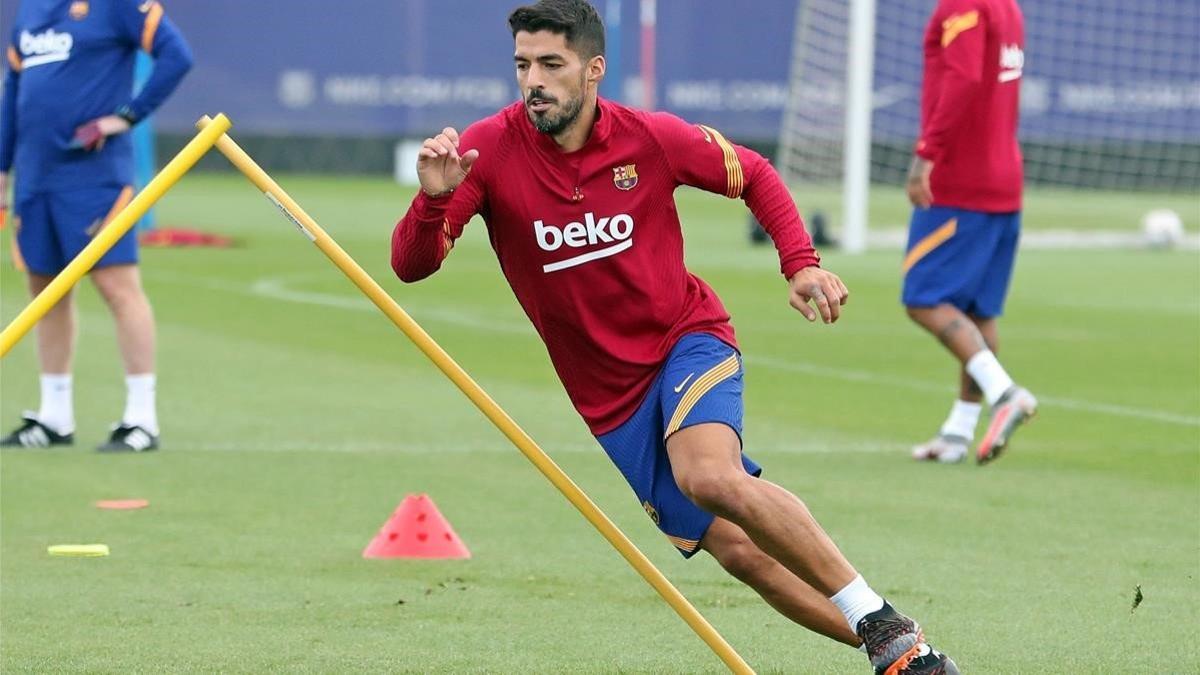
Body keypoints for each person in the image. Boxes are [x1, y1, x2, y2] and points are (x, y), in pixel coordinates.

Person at [391, 2, 957, 672]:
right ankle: (910, 657)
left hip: (686, 341)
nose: (533, 80)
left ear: (593, 69)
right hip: (609, 401)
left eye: (551, 64)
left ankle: (879, 617)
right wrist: (432, 200)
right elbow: (412, 266)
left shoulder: (648, 138)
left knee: (709, 474)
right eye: (522, 65)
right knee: (741, 553)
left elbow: (754, 173)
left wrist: (800, 263)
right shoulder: (489, 151)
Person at [0, 0, 193, 451]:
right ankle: (54, 416)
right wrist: (3, 169)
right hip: (35, 177)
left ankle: (141, 418)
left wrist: (125, 116)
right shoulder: (30, 11)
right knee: (45, 293)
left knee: (118, 288)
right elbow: (13, 90)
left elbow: (176, 55)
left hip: (94, 179)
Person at [904, 0, 1036, 465]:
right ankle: (958, 432)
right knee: (978, 313)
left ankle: (1005, 392)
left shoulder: (962, 5)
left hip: (961, 184)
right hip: (1005, 179)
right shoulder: (1008, 8)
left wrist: (927, 153)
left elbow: (963, 79)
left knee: (923, 297)